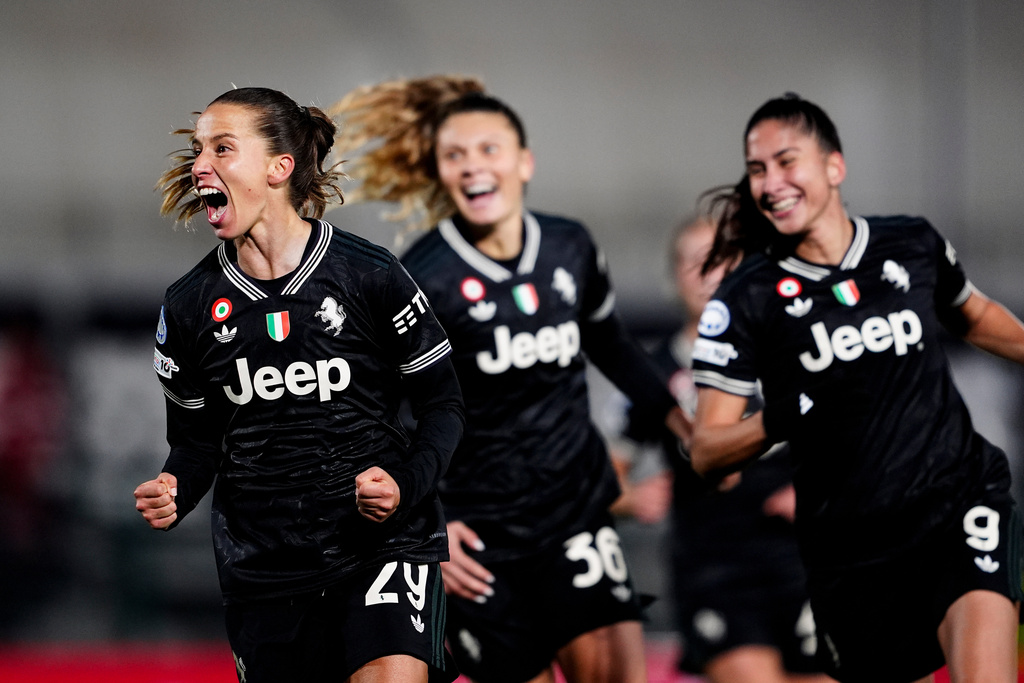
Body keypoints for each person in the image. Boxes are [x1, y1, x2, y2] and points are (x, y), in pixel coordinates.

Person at [330, 76, 689, 683]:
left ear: (524, 162)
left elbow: (611, 345)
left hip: (573, 512)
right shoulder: (423, 277)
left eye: (488, 150)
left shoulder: (570, 247)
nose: (473, 166)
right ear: (441, 173)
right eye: (455, 155)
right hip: (481, 529)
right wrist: (431, 525)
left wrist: (685, 424)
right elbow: (382, 415)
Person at [687, 93, 1024, 683]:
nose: (771, 182)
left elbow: (972, 315)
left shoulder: (911, 243)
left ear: (834, 166)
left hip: (957, 501)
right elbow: (706, 451)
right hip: (852, 549)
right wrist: (779, 418)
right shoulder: (746, 298)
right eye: (758, 169)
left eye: (787, 161)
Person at [133, 86, 464, 683]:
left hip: (380, 548)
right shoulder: (187, 308)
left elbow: (444, 403)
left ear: (279, 168)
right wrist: (175, 488)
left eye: (223, 148)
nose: (199, 165)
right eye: (199, 149)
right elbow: (196, 443)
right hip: (263, 569)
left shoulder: (369, 274)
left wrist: (405, 485)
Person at [607, 217, 836, 683]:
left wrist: (819, 489)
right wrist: (630, 498)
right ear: (674, 277)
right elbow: (605, 475)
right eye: (695, 262)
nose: (709, 273)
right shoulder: (655, 373)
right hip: (716, 568)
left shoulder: (793, 354)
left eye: (722, 259)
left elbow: (857, 441)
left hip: (804, 562)